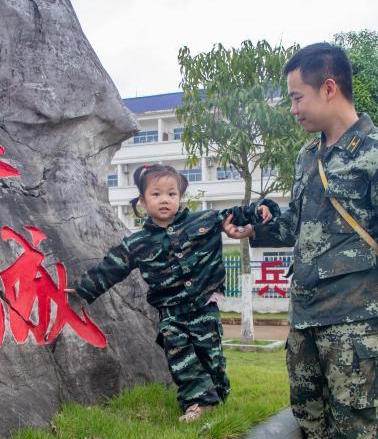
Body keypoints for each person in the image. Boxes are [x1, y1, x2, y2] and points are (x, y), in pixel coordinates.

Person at [223, 43, 378, 439]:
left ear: (330, 88)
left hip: (356, 327)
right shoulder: (308, 158)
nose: (293, 108)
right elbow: (299, 228)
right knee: (316, 437)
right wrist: (255, 230)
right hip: (306, 324)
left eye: (297, 97)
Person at [67, 164, 277, 422]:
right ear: (143, 201)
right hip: (171, 314)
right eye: (156, 194)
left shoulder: (205, 221)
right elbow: (110, 268)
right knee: (179, 354)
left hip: (204, 307)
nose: (164, 199)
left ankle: (216, 396)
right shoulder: (137, 243)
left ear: (180, 197)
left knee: (210, 357)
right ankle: (197, 402)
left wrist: (260, 209)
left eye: (171, 194)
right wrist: (80, 291)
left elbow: (236, 215)